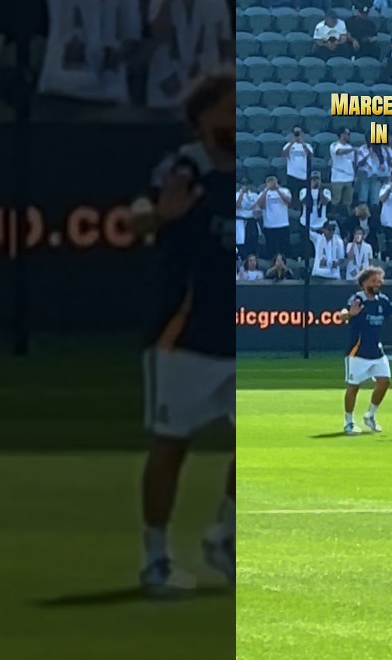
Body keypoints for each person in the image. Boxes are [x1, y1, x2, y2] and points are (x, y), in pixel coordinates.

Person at [127, 70, 235, 591]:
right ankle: (155, 559)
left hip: (239, 336)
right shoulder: (185, 167)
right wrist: (158, 215)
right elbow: (138, 214)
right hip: (184, 336)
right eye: (232, 108)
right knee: (171, 446)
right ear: (204, 116)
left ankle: (225, 536)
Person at [340, 267, 392, 434]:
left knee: (385, 381)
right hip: (357, 352)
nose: (377, 284)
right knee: (354, 387)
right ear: (364, 283)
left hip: (376, 351)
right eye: (374, 281)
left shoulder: (382, 300)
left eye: (379, 281)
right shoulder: (357, 299)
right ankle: (348, 422)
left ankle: (370, 415)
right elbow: (343, 314)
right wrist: (350, 314)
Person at [256, 175, 294, 258]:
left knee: (285, 250)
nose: (271, 183)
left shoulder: (284, 190)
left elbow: (288, 201)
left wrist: (277, 190)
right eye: (269, 181)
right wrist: (266, 190)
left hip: (283, 224)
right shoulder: (263, 193)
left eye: (273, 181)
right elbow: (259, 205)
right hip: (269, 225)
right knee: (271, 250)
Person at [329, 127, 357, 216]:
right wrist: (352, 149)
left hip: (349, 177)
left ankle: (347, 217)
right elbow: (339, 152)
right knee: (336, 199)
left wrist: (354, 175)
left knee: (348, 201)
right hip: (338, 177)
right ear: (341, 134)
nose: (347, 136)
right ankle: (333, 216)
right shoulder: (334, 145)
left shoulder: (349, 147)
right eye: (346, 134)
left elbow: (352, 162)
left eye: (348, 134)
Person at [282, 126, 313, 202]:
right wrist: (292, 143)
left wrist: (302, 143)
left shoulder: (307, 145)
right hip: (292, 174)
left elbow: (310, 156)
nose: (297, 134)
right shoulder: (288, 145)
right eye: (296, 132)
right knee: (292, 197)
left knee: (302, 197)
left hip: (303, 175)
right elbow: (284, 154)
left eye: (299, 132)